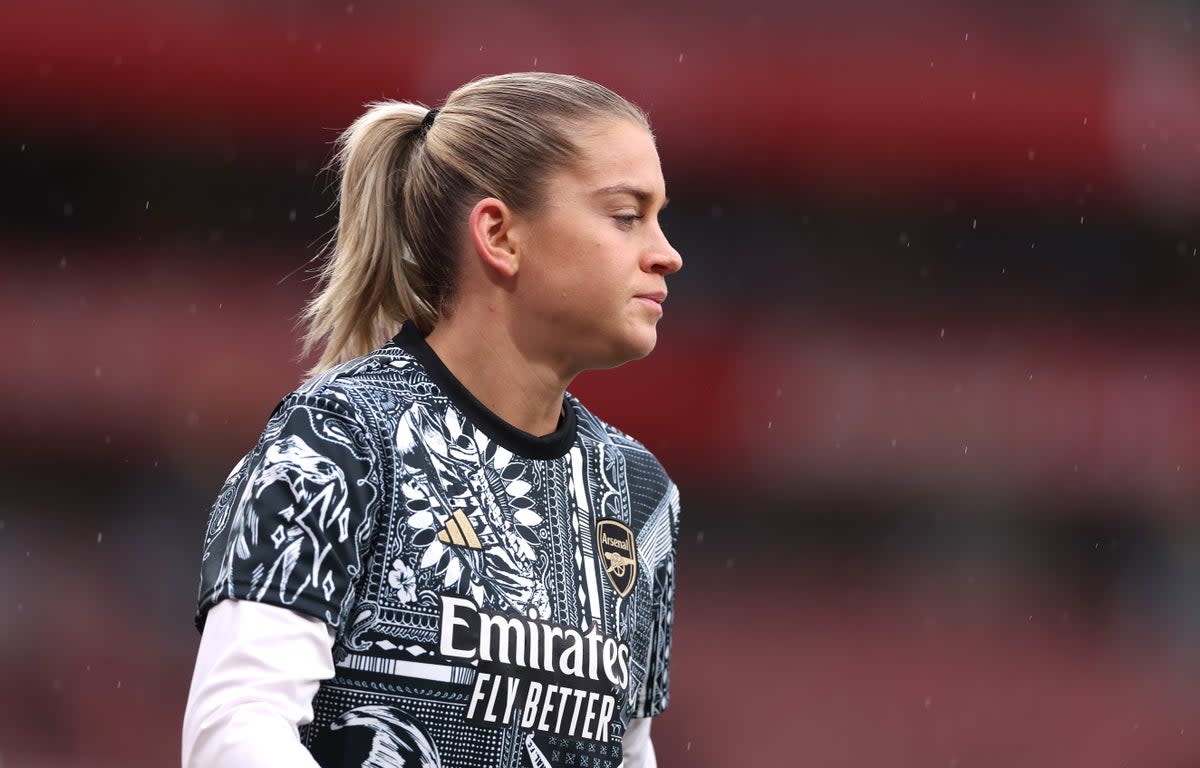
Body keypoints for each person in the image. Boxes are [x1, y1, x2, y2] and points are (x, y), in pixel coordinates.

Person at [181, 72, 683, 768]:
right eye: (627, 216)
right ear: (500, 234)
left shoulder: (638, 492)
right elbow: (235, 730)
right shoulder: (338, 439)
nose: (667, 253)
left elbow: (630, 753)